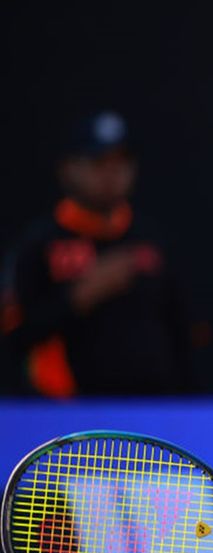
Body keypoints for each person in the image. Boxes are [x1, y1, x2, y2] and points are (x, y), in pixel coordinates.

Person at [0, 110, 195, 397]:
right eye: (99, 162)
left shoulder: (150, 238)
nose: (111, 174)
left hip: (153, 411)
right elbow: (15, 335)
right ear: (69, 169)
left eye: (121, 163)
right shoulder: (39, 242)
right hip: (64, 415)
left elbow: (184, 333)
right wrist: (81, 295)